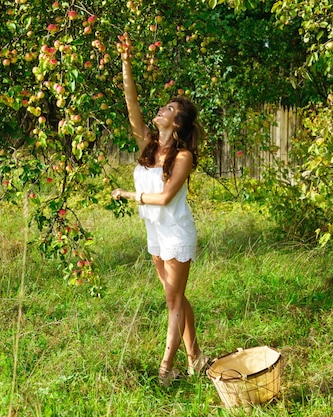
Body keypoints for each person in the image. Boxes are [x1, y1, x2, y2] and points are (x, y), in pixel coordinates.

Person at [111, 33, 208, 386]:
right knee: (177, 297)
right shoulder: (149, 146)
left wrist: (128, 195)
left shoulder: (183, 156)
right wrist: (126, 61)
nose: (162, 110)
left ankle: (166, 369)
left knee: (173, 302)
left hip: (177, 233)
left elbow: (166, 197)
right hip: (155, 232)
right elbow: (131, 103)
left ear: (177, 123)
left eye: (169, 109)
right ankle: (196, 356)